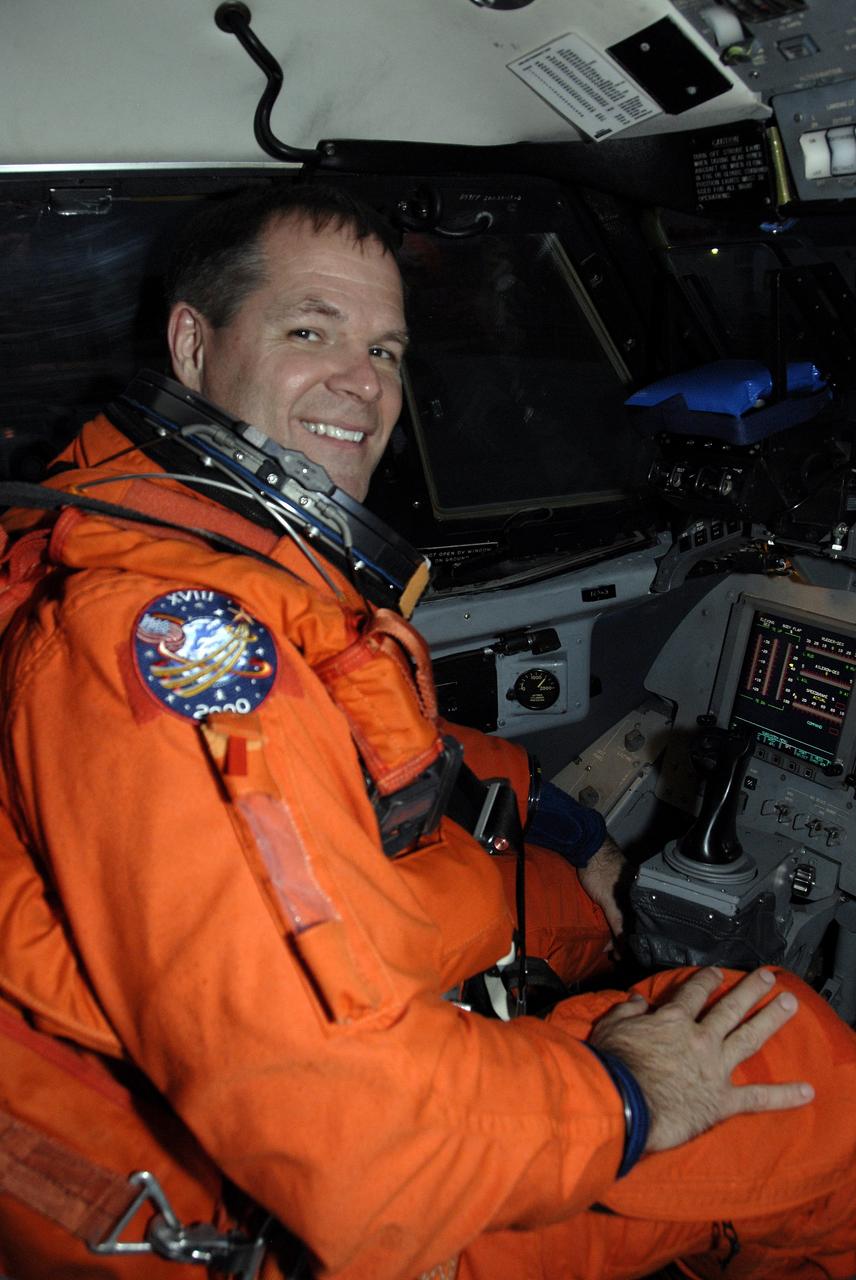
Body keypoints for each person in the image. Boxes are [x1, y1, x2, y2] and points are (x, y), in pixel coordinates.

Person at [0, 183, 854, 1280]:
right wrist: (633, 1093)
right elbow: (346, 1133)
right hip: (283, 1220)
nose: (363, 382)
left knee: (565, 900)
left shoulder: (166, 536)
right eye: (310, 331)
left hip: (311, 1054)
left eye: (386, 350)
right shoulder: (170, 646)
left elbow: (372, 753)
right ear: (192, 344)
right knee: (802, 1073)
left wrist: (564, 826)